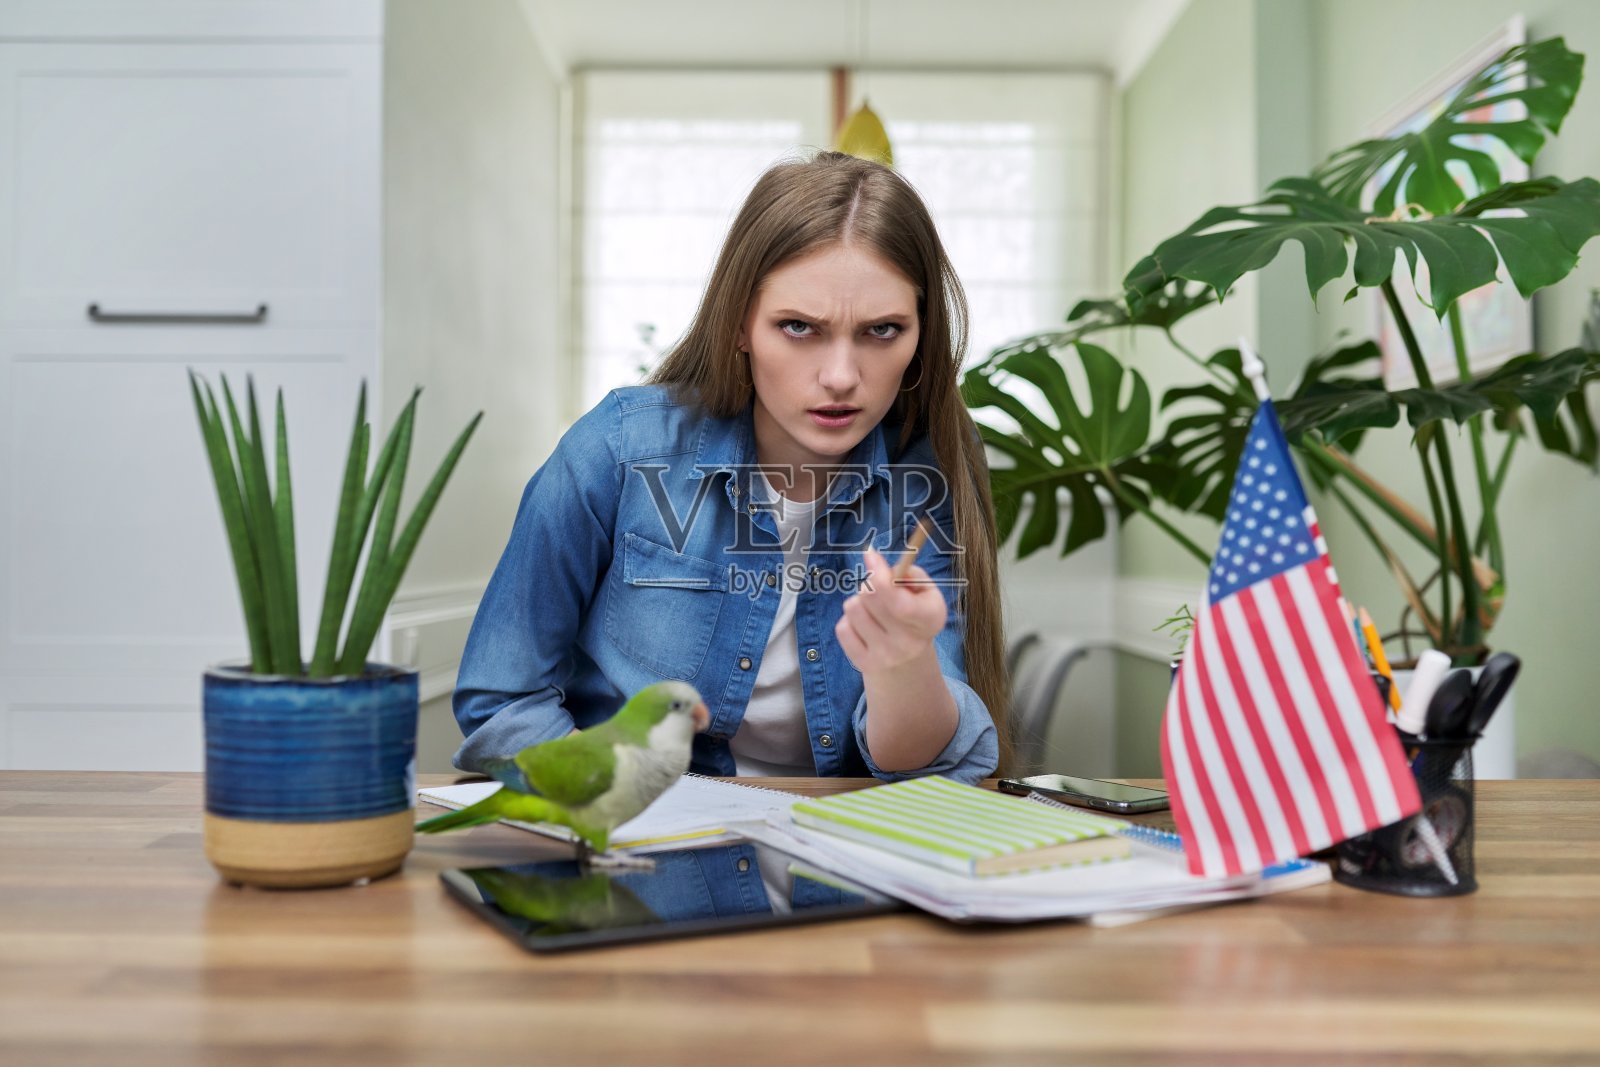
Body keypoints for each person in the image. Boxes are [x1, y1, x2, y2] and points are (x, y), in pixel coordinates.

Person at [452, 150, 1009, 784]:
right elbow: (503, 700)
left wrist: (902, 665)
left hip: (835, 865)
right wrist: (618, 800)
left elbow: (924, 764)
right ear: (740, 323)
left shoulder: (926, 474)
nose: (841, 377)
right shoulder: (617, 449)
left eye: (883, 330)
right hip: (637, 855)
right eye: (798, 327)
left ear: (920, 334)